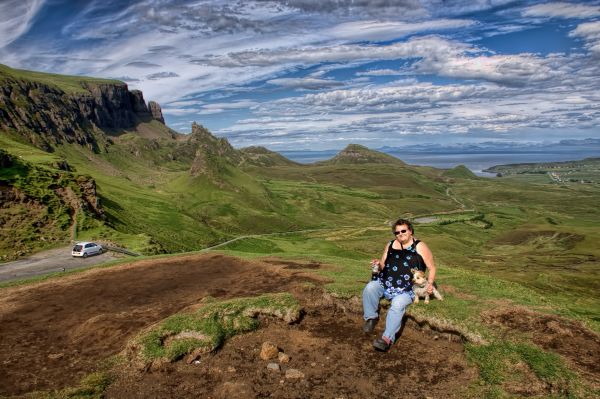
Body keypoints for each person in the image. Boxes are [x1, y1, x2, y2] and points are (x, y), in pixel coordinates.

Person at [362, 218, 437, 351]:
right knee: (370, 288)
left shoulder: (419, 246)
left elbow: (432, 268)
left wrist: (430, 284)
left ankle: (387, 338)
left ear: (410, 231)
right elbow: (383, 264)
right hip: (386, 281)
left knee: (397, 304)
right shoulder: (390, 244)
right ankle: (371, 318)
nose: (400, 234)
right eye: (397, 232)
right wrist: (378, 264)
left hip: (408, 288)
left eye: (404, 231)